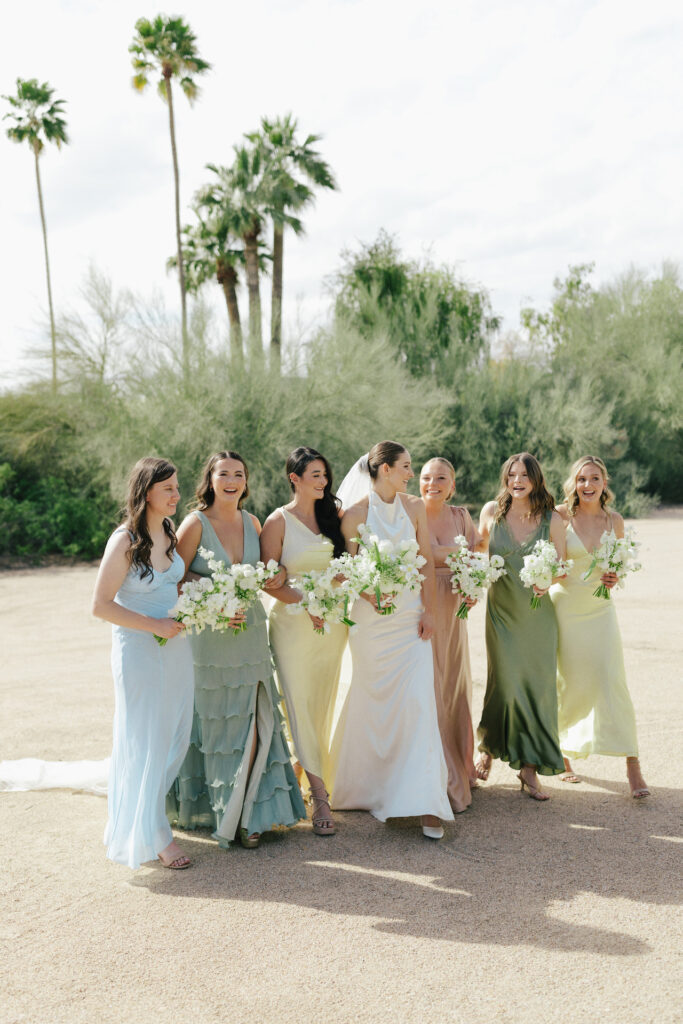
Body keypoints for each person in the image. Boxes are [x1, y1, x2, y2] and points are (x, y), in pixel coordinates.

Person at [168, 451, 306, 849]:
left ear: (246, 482)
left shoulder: (252, 522)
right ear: (209, 480)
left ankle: (252, 814)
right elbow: (173, 579)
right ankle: (228, 813)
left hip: (250, 632)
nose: (232, 480)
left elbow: (266, 575)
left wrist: (287, 581)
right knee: (219, 724)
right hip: (211, 638)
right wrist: (216, 597)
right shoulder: (195, 523)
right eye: (223, 473)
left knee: (256, 719)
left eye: (239, 474)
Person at [329, 441, 453, 839]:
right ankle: (370, 787)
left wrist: (429, 612)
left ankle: (428, 804)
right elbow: (346, 571)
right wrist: (369, 593)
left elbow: (426, 567)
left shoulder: (414, 508)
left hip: (409, 621)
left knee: (418, 704)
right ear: (383, 469)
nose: (409, 474)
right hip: (370, 623)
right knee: (374, 702)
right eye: (404, 467)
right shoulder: (352, 516)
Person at [91, 457, 194, 869]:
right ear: (146, 491)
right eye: (168, 488)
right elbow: (100, 605)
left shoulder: (169, 531)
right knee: (146, 739)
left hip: (176, 647)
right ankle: (155, 835)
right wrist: (154, 624)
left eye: (177, 487)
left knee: (175, 737)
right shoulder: (126, 540)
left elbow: (175, 583)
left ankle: (145, 817)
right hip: (139, 651)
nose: (176, 494)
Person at [261, 447, 348, 836]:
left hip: (332, 626)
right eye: (314, 474)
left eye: (324, 474)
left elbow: (346, 567)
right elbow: (269, 581)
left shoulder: (335, 518)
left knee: (320, 705)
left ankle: (300, 774)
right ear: (294, 478)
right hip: (293, 627)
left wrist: (342, 584)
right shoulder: (278, 521)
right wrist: (306, 602)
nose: (322, 481)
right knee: (296, 702)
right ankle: (319, 795)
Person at [550, 456, 649, 798]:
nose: (588, 485)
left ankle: (633, 765)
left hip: (600, 608)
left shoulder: (615, 521)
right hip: (566, 606)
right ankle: (563, 755)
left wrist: (614, 575)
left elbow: (618, 565)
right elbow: (554, 564)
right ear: (573, 483)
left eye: (594, 479)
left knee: (612, 679)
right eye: (581, 479)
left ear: (604, 483)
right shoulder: (560, 516)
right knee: (569, 681)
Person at [475, 452, 566, 800]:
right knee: (505, 683)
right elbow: (474, 549)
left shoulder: (551, 519)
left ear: (535, 479)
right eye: (511, 474)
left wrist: (548, 579)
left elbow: (562, 566)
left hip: (537, 617)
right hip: (501, 614)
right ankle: (490, 748)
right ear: (505, 478)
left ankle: (529, 768)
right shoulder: (490, 513)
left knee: (537, 689)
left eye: (524, 475)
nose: (517, 480)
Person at [420, 457, 482, 813]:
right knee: (431, 681)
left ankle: (460, 764)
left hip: (455, 605)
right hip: (425, 603)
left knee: (455, 682)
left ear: (452, 485)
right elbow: (414, 556)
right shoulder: (411, 512)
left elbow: (474, 555)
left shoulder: (461, 516)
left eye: (441, 478)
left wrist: (473, 586)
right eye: (427, 477)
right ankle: (436, 774)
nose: (433, 483)